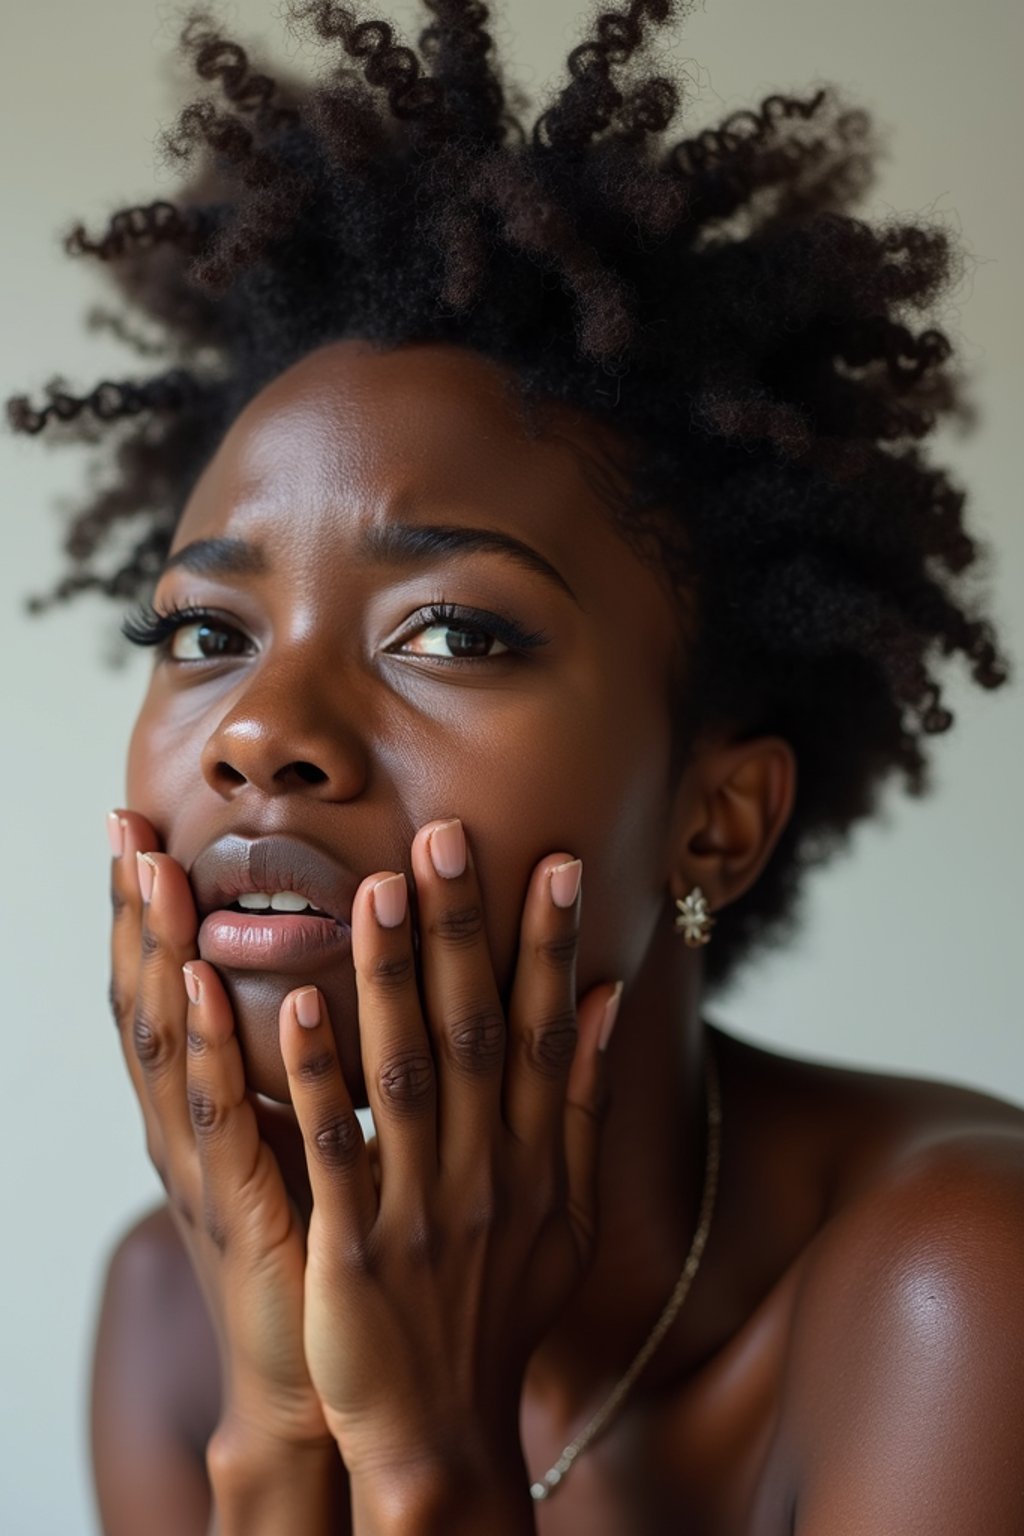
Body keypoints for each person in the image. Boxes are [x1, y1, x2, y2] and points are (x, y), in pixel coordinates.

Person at [9, 1, 1022, 1531]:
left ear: (718, 822)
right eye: (205, 631)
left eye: (455, 636)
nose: (261, 730)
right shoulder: (175, 1315)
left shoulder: (967, 1284)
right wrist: (282, 1434)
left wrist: (424, 1464)